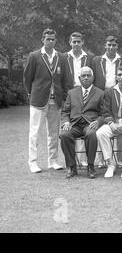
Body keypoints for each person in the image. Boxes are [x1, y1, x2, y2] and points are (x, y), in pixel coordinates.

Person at [23, 28, 68, 173]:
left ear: (56, 40)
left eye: (53, 39)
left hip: (56, 101)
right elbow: (27, 78)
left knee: (53, 132)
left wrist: (65, 97)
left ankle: (53, 161)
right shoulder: (34, 56)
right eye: (47, 39)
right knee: (34, 132)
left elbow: (65, 79)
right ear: (43, 39)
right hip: (38, 100)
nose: (50, 41)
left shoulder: (61, 57)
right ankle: (33, 162)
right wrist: (31, 93)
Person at [60, 67, 104, 179]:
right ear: (79, 78)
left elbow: (104, 113)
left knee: (91, 134)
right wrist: (66, 122)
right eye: (83, 76)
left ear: (93, 78)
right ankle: (71, 166)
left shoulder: (100, 93)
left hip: (90, 124)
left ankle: (90, 166)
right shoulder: (71, 93)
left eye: (88, 75)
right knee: (64, 134)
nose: (86, 78)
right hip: (74, 124)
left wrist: (98, 122)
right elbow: (65, 111)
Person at [92, 35, 122, 168]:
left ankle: (121, 158)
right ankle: (102, 159)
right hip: (102, 94)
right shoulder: (96, 60)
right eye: (109, 45)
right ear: (105, 45)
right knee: (102, 124)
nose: (111, 47)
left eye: (114, 45)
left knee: (120, 122)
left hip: (118, 93)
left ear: (117, 46)